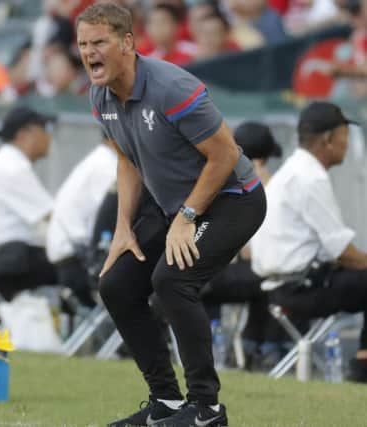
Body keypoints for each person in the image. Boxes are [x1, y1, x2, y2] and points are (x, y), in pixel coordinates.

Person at [76, 4, 266, 426]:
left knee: (171, 281)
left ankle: (206, 409)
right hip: (175, 209)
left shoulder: (172, 87)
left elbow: (225, 155)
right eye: (83, 44)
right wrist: (124, 228)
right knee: (116, 284)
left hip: (234, 199)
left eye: (99, 42)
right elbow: (127, 159)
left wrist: (187, 217)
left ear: (127, 43)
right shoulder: (99, 96)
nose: (89, 53)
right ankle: (166, 402)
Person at [251, 101, 367, 383]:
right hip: (299, 289)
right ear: (328, 140)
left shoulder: (293, 170)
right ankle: (363, 368)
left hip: (284, 284)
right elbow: (343, 252)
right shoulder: (310, 177)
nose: (346, 144)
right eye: (344, 136)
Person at [200, 121, 283, 370]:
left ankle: (221, 351)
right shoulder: (274, 184)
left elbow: (244, 249)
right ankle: (256, 348)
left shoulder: (233, 181)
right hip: (248, 271)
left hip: (239, 270)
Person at [0, 107, 57, 301]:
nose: (50, 137)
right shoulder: (12, 167)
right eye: (45, 129)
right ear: (25, 135)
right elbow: (55, 217)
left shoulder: (7, 162)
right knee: (77, 265)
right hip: (6, 260)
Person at [46, 132, 117, 308]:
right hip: (77, 260)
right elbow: (113, 217)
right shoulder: (107, 166)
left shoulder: (98, 159)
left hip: (71, 257)